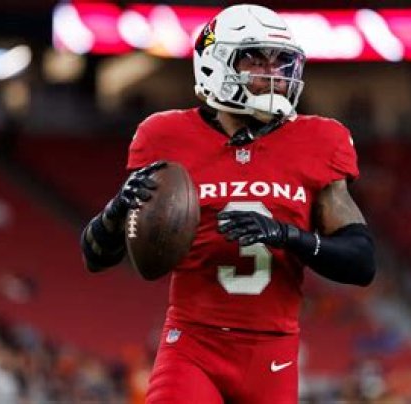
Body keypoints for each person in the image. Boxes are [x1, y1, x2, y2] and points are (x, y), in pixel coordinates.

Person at [80, 4, 376, 403]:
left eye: (280, 62)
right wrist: (116, 212)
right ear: (215, 65)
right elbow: (96, 257)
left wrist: (289, 236)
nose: (273, 73)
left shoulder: (320, 140)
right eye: (256, 60)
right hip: (192, 343)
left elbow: (362, 262)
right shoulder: (165, 136)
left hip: (273, 351)